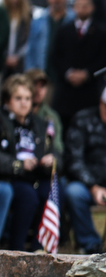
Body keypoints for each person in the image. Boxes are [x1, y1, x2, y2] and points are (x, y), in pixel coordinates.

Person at [63, 81, 106, 254]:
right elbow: (74, 159)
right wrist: (93, 186)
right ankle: (91, 245)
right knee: (73, 192)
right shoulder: (83, 121)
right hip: (90, 184)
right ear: (102, 103)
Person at [0, 75, 58, 251]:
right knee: (28, 198)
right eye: (18, 98)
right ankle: (16, 250)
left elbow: (56, 152)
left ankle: (39, 250)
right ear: (7, 100)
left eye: (27, 99)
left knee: (52, 191)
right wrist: (18, 164)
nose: (24, 103)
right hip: (11, 177)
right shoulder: (2, 122)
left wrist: (52, 159)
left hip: (37, 175)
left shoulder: (40, 124)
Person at [51, 0, 106, 131]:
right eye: (79, 5)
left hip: (88, 91)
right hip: (66, 91)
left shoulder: (101, 32)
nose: (82, 9)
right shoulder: (63, 30)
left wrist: (87, 74)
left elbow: (104, 58)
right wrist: (68, 73)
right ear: (74, 8)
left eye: (86, 5)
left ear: (92, 8)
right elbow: (55, 56)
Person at [25, 0, 74, 79]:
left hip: (66, 75)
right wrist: (30, 72)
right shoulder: (39, 21)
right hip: (43, 73)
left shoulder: (73, 20)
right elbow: (31, 49)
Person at [2, 0, 32, 78]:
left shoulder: (27, 15)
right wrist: (5, 56)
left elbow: (29, 39)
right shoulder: (2, 14)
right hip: (3, 60)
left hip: (20, 62)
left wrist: (17, 57)